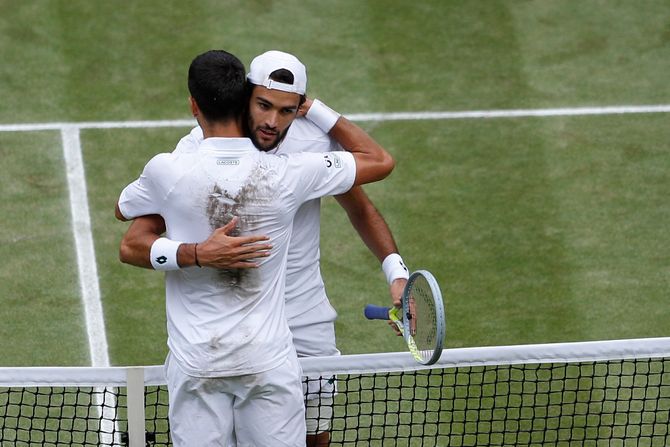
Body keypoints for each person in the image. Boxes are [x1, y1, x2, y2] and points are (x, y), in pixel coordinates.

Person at [117, 50, 409, 447]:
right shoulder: (192, 151)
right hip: (228, 329)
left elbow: (360, 207)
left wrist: (397, 274)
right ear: (245, 97)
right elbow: (138, 233)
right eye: (264, 105)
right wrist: (197, 252)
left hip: (303, 315)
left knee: (315, 436)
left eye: (289, 110)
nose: (273, 122)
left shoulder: (313, 144)